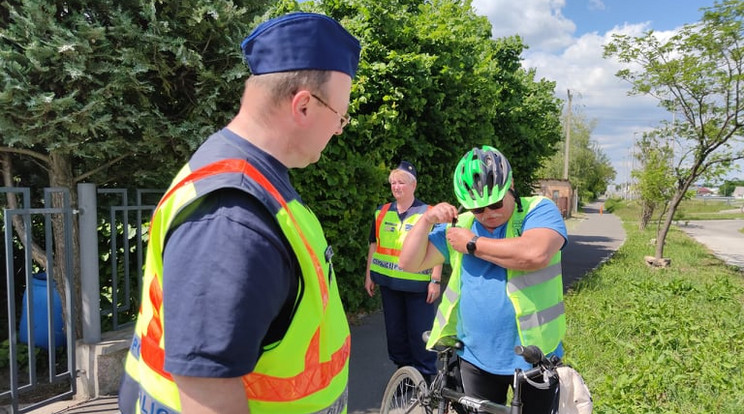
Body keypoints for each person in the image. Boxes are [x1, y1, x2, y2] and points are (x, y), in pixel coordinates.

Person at [118, 12, 361, 414]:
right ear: (303, 106)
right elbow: (206, 391)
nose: (339, 129)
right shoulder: (232, 218)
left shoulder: (250, 177)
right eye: (341, 115)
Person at [399, 146, 568, 414]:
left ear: (510, 185)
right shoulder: (461, 224)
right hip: (475, 359)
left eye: (496, 204)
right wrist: (426, 220)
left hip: (535, 359)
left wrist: (472, 244)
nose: (488, 213)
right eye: (478, 208)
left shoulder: (539, 210)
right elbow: (408, 262)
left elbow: (535, 254)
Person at [364, 161, 443, 379]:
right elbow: (374, 244)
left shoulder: (427, 213)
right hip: (389, 285)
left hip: (418, 286)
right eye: (393, 183)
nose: (396, 187)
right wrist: (369, 274)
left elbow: (438, 247)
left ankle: (426, 377)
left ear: (413, 185)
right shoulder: (381, 212)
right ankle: (404, 377)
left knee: (419, 334)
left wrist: (435, 279)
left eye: (401, 183)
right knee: (395, 334)